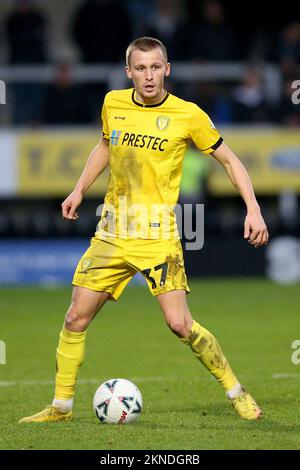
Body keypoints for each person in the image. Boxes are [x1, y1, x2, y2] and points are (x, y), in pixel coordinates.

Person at [19, 37, 269, 424]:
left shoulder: (188, 114)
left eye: (156, 67)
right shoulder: (113, 103)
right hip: (112, 233)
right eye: (141, 68)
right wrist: (79, 188)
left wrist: (253, 208)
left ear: (167, 69)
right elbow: (104, 145)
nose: (149, 76)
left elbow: (230, 161)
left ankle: (237, 391)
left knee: (179, 325)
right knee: (74, 319)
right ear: (128, 72)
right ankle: (61, 407)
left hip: (157, 237)